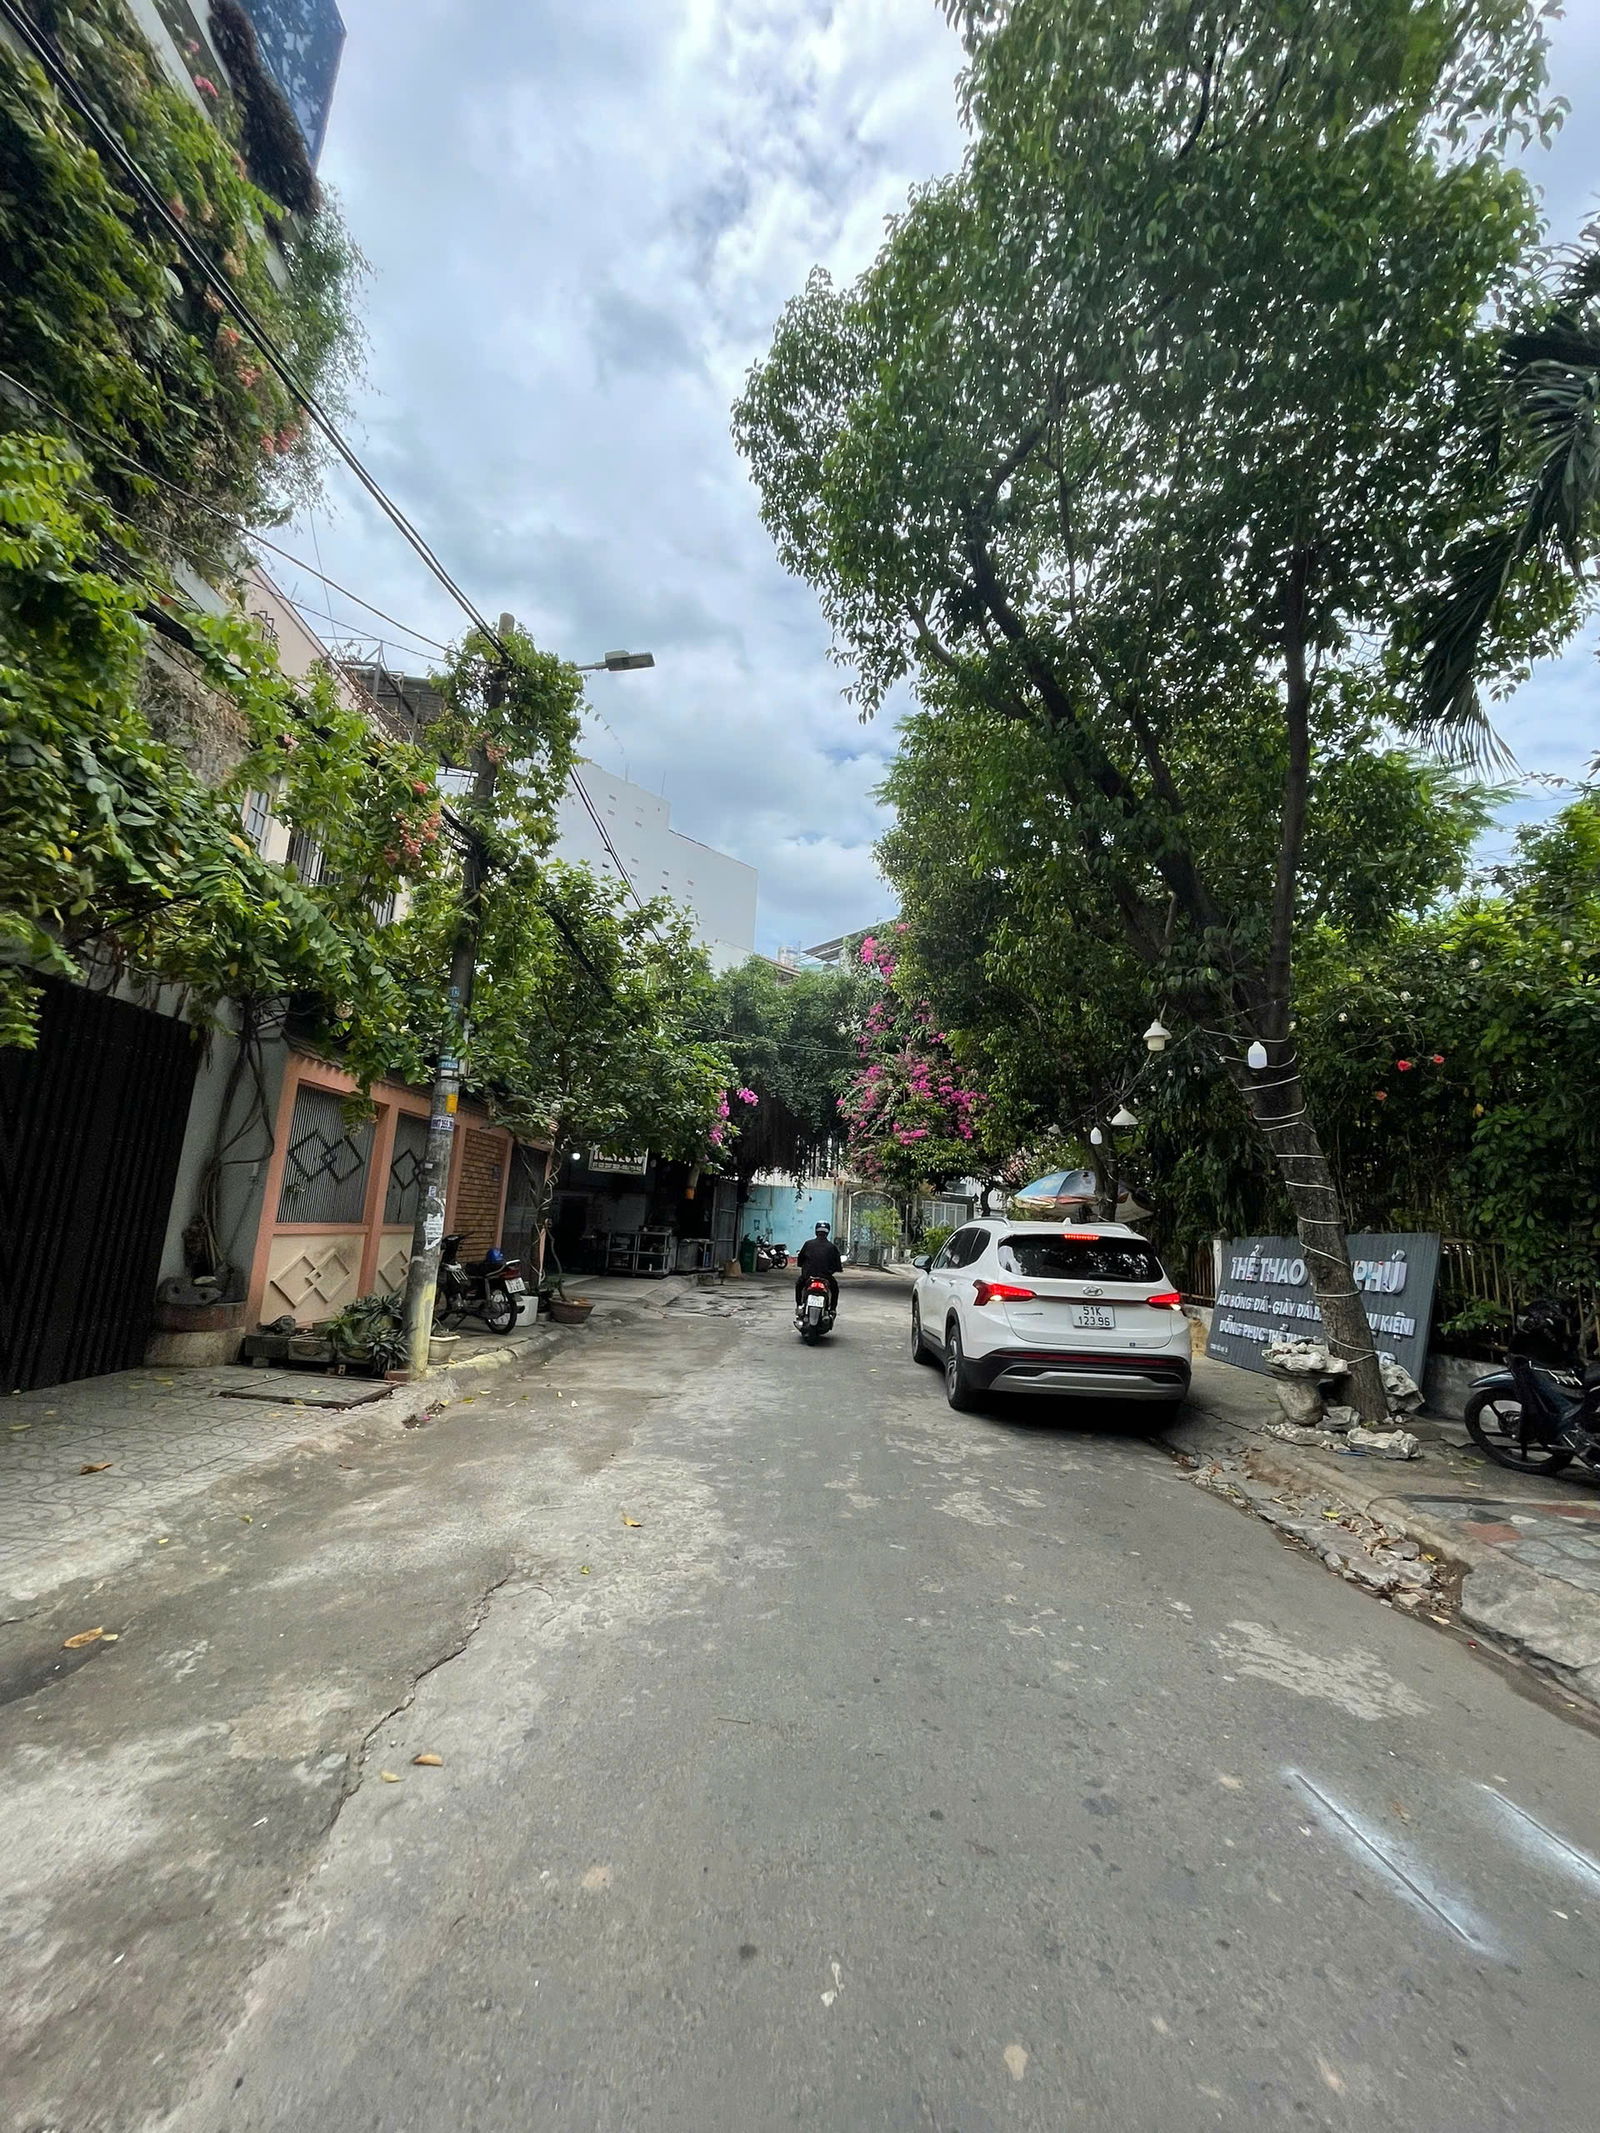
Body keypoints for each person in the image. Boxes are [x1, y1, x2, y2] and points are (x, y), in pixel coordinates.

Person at [794, 1223, 842, 1312]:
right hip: (826, 1277)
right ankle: (832, 1309)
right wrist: (833, 1270)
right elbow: (837, 1265)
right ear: (827, 1232)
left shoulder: (808, 1244)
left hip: (808, 1276)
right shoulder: (832, 1247)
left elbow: (800, 1260)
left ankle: (799, 1305)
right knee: (835, 1289)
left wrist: (803, 1267)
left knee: (799, 1285)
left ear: (816, 1231)